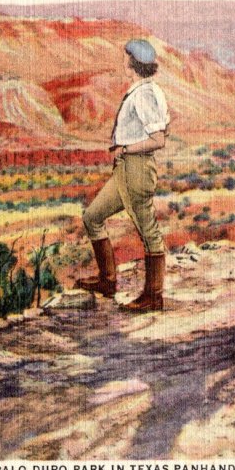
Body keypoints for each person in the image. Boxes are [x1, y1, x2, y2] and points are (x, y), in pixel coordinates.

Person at [76, 38, 169, 312]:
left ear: (133, 63)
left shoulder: (145, 94)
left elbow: (158, 138)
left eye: (125, 57)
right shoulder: (143, 90)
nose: (123, 61)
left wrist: (126, 148)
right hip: (126, 169)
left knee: (147, 229)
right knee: (92, 217)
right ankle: (108, 281)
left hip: (136, 168)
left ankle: (153, 295)